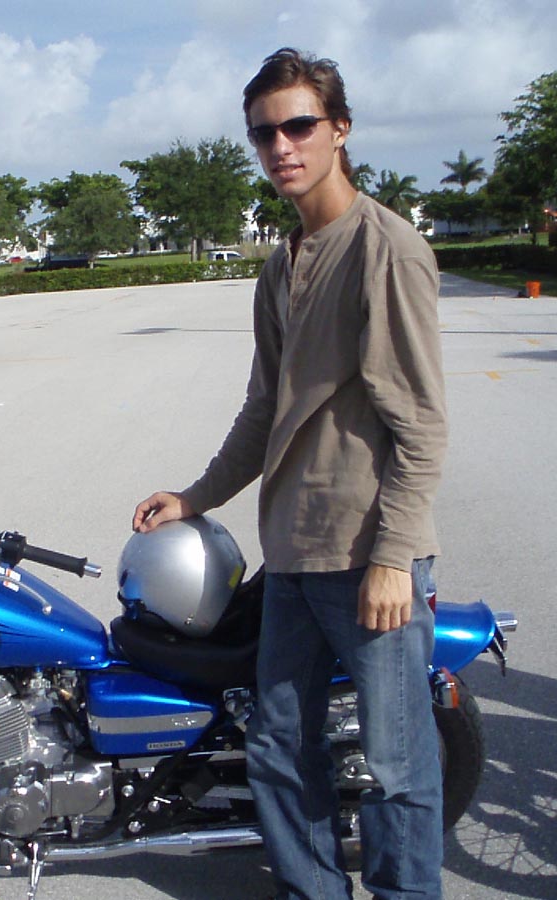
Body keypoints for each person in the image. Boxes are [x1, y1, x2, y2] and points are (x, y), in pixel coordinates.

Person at [132, 48, 447, 900]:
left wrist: (394, 556)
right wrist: (195, 497)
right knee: (277, 746)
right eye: (264, 133)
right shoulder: (283, 263)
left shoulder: (385, 250)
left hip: (367, 555)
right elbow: (264, 409)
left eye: (299, 125)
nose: (281, 145)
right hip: (295, 556)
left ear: (339, 130)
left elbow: (421, 423)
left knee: (395, 762)